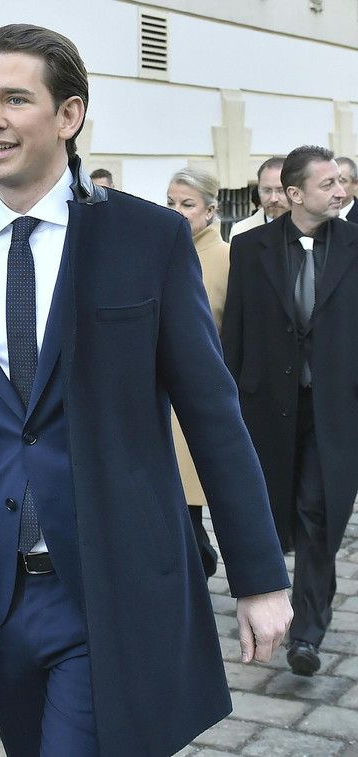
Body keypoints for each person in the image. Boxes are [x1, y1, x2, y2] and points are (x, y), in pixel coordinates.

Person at [0, 23, 293, 755]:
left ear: (69, 115)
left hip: (109, 587)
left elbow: (212, 414)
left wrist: (260, 577)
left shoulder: (148, 238)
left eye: (14, 99)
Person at [223, 145, 358, 677]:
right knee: (270, 511)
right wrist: (229, 400)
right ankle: (263, 599)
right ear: (295, 193)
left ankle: (306, 634)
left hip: (336, 409)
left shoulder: (355, 244)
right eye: (329, 184)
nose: (341, 191)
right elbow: (236, 329)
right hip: (267, 406)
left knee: (318, 514)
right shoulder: (249, 247)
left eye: (342, 182)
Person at [165, 167, 231, 578]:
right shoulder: (162, 250)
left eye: (187, 204)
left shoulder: (226, 258)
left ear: (210, 210)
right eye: (170, 202)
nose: (176, 211)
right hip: (157, 396)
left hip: (198, 399)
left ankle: (198, 570)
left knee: (186, 506)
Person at [229, 157, 288, 240]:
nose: (273, 199)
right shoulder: (241, 232)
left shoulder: (307, 228)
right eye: (267, 190)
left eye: (281, 191)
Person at [337, 156, 358, 222]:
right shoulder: (317, 215)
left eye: (341, 181)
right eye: (330, 181)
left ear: (355, 184)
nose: (334, 187)